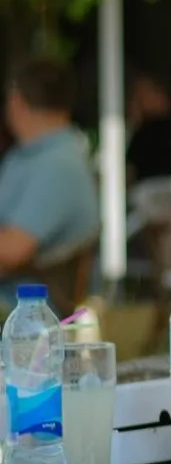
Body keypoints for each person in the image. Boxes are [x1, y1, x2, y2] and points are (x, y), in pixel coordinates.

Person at [0, 54, 100, 310]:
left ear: (16, 101)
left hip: (26, 315)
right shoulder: (28, 157)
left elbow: (13, 249)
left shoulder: (58, 165)